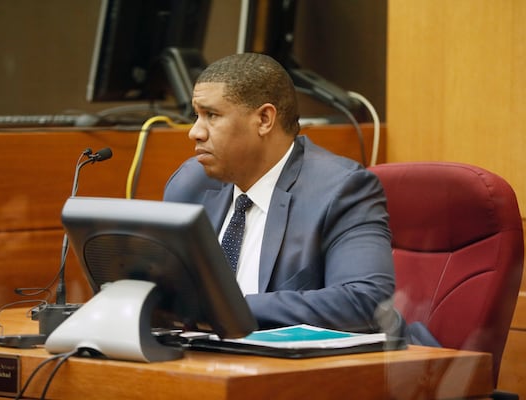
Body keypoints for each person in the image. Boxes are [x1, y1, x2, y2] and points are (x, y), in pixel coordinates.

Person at [164, 52, 402, 335]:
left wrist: (225, 309)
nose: (195, 132)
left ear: (264, 119)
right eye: (197, 115)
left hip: (328, 371)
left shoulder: (341, 189)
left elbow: (367, 302)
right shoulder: (190, 184)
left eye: (212, 115)